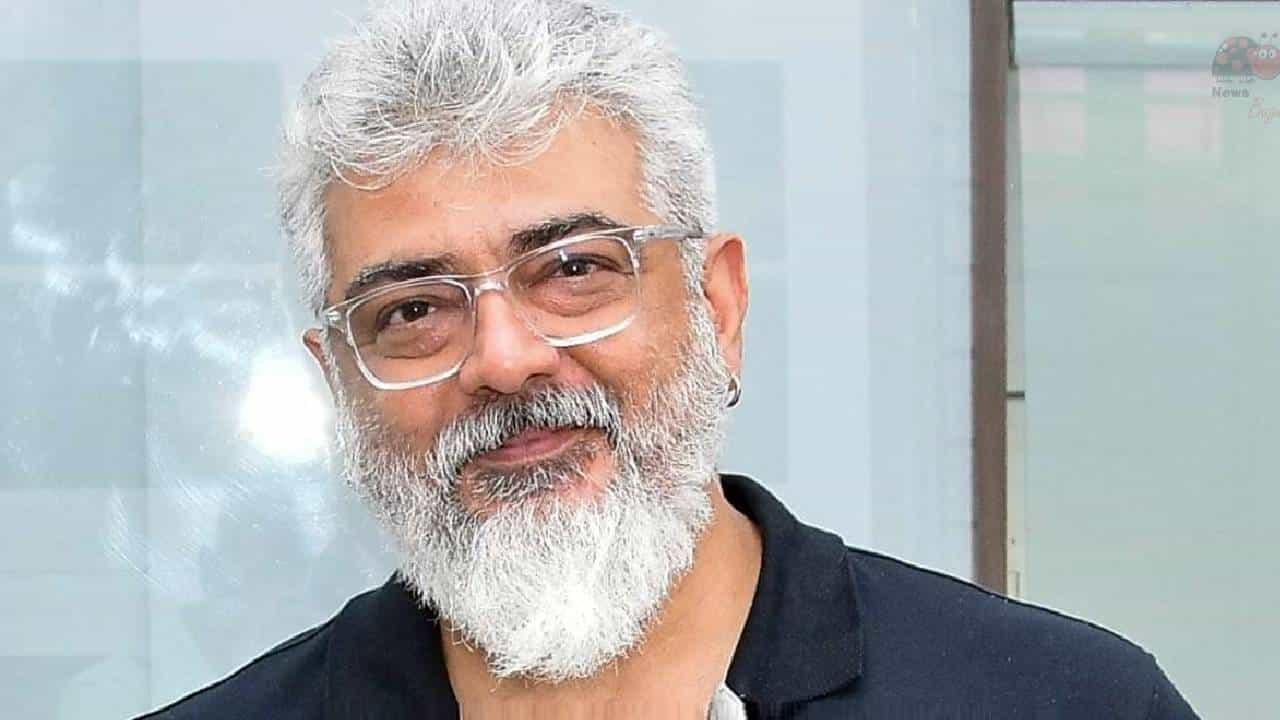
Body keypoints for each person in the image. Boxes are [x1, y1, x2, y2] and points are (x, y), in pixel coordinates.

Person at [137, 1, 1198, 717]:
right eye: (413, 309)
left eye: (573, 269)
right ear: (340, 384)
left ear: (717, 305)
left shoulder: (1063, 703)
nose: (503, 359)